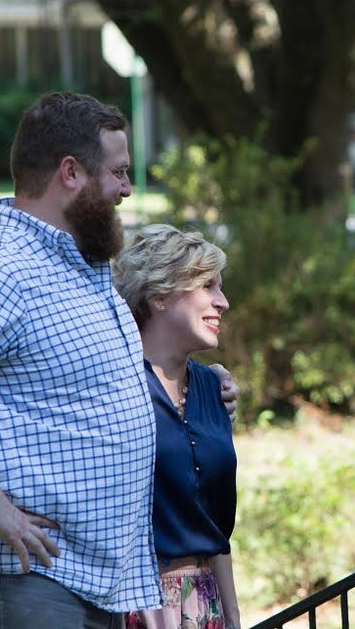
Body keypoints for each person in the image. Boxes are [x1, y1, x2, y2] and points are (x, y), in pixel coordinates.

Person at [0, 92, 236, 629]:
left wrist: (206, 387)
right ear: (71, 172)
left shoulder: (82, 277)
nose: (126, 188)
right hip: (16, 583)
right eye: (118, 171)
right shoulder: (0, 266)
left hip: (82, 586)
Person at [113, 224, 240, 629]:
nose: (223, 302)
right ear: (159, 296)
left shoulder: (213, 387)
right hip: (135, 602)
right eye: (207, 286)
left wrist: (233, 617)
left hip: (205, 603)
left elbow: (213, 525)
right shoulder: (118, 386)